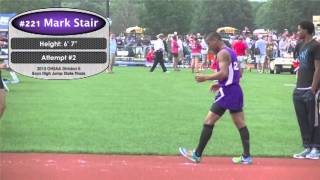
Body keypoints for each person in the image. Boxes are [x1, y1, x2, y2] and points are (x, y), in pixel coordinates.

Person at [179, 32, 252, 164]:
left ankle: (197, 154)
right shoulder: (230, 51)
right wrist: (220, 84)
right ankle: (246, 156)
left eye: (209, 43)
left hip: (228, 92)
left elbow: (224, 73)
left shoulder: (222, 53)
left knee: (209, 121)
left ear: (216, 40)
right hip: (235, 90)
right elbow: (239, 73)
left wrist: (205, 78)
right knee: (240, 123)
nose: (209, 47)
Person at [293, 20, 320, 160]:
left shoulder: (316, 46)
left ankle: (316, 148)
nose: (298, 32)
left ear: (306, 30)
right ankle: (307, 146)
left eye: (299, 30)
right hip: (299, 88)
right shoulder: (299, 45)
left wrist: (313, 89)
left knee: (313, 120)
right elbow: (300, 66)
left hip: (311, 88)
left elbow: (318, 69)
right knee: (302, 119)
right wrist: (296, 85)